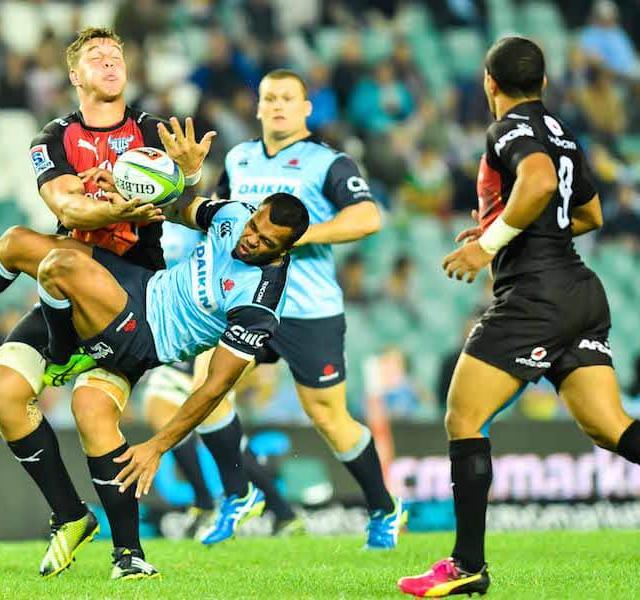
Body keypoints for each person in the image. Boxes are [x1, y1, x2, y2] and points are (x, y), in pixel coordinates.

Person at [0, 27, 214, 580]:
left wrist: (186, 175)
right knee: (5, 393)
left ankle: (130, 555)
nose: (109, 61)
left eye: (116, 54)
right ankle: (71, 515)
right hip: (70, 284)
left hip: (132, 294)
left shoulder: (150, 129)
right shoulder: (51, 138)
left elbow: (178, 203)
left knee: (47, 279)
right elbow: (65, 208)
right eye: (96, 56)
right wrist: (118, 204)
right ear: (74, 76)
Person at [399, 37, 640, 597]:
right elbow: (590, 213)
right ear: (545, 84)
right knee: (610, 427)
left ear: (490, 83)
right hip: (579, 290)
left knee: (463, 418)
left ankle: (467, 566)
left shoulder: (510, 129)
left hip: (535, 298)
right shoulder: (561, 131)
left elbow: (538, 184)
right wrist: (498, 230)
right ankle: (467, 565)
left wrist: (489, 246)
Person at [209, 69, 406, 549]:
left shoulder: (327, 163)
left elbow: (368, 217)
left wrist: (297, 235)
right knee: (207, 388)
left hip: (308, 308)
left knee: (329, 419)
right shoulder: (238, 159)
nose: (277, 105)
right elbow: (217, 213)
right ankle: (239, 494)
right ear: (256, 107)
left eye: (287, 98)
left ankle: (384, 507)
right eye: (269, 97)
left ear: (305, 108)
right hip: (248, 303)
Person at [140, 221, 304, 541]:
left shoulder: (222, 229)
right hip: (188, 331)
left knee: (212, 419)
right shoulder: (165, 225)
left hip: (224, 332)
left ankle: (279, 510)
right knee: (161, 407)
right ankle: (205, 501)